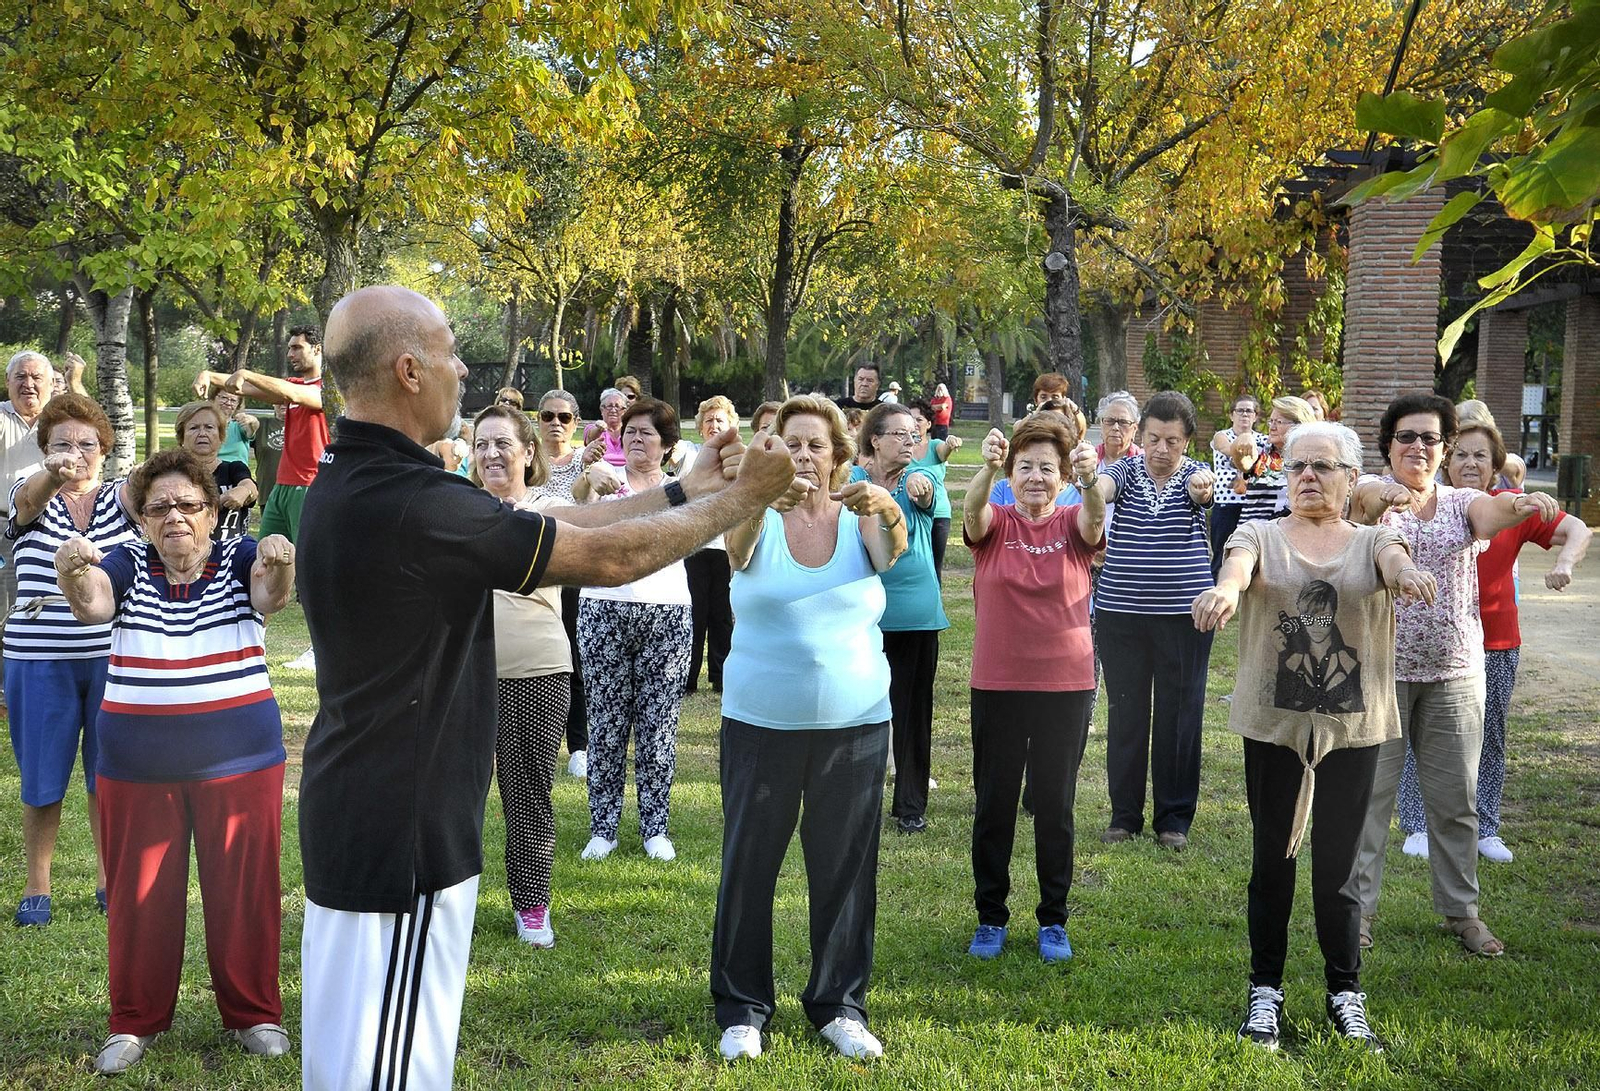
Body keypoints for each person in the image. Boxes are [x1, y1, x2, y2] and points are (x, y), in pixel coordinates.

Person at [293, 285, 798, 1091]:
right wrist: (743, 498)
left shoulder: (373, 477)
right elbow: (607, 561)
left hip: (378, 816)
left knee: (377, 1059)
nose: (465, 368)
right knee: (385, 1070)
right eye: (451, 351)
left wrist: (688, 489)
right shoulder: (408, 500)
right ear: (409, 371)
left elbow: (558, 528)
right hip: (399, 840)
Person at [53, 448, 296, 1074]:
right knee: (139, 898)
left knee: (245, 893)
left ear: (211, 512)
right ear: (143, 520)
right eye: (159, 508)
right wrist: (73, 573)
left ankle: (254, 1015)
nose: (175, 517)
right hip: (138, 764)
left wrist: (279, 561)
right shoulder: (127, 561)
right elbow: (94, 605)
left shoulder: (240, 556)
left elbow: (270, 596)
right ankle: (133, 1022)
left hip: (241, 761)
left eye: (188, 505)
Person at [1193, 421, 1434, 1053]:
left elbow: (1395, 561)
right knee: (1272, 860)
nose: (1307, 476)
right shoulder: (1259, 534)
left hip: (1353, 732)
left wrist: (1407, 575)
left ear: (1351, 478)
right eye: (1297, 465)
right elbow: (1237, 567)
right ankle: (1265, 991)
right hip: (1275, 728)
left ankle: (1344, 993)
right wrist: (1224, 590)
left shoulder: (1373, 540)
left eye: (1323, 466)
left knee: (1338, 870)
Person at [712, 395, 906, 1062]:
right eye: (789, 443)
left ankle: (839, 1005)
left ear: (838, 455)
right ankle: (742, 1008)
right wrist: (756, 494)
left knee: (844, 869)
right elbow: (737, 551)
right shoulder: (752, 515)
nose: (802, 455)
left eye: (816, 444)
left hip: (855, 723)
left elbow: (892, 553)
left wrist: (884, 504)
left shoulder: (861, 517)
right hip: (760, 722)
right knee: (748, 865)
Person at [1346, 393, 1560, 958]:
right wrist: (1391, 495)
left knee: (1456, 803)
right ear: (1389, 444)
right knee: (1370, 801)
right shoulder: (1370, 492)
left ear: (1444, 449)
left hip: (1456, 674)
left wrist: (1520, 503)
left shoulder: (1463, 501)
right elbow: (1365, 501)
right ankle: (1358, 914)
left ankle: (1462, 912)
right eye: (1407, 437)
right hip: (1380, 675)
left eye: (1430, 438)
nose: (1418, 447)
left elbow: (1491, 513)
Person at [1395, 419, 1590, 864]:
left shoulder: (1511, 508)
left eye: (1480, 456)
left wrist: (1564, 563)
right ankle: (1418, 823)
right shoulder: (1426, 504)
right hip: (1433, 641)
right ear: (1446, 459)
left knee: (1489, 733)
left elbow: (1578, 529)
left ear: (1495, 465)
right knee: (1417, 732)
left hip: (1496, 642)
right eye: (1461, 454)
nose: (1470, 463)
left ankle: (1486, 826)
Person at [960, 417, 1105, 964]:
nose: (1036, 477)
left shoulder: (1072, 521)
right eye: (1025, 467)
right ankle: (990, 917)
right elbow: (972, 513)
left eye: (1047, 468)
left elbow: (1095, 522)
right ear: (1010, 475)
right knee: (994, 806)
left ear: (1063, 476)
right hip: (997, 683)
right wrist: (986, 468)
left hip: (1065, 686)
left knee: (1054, 807)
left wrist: (1089, 483)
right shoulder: (995, 522)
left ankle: (1053, 920)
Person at [5, 394, 141, 926]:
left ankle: (109, 880)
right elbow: (29, 501)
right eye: (62, 443)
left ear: (104, 451)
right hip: (39, 659)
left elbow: (159, 491)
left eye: (87, 444)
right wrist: (52, 473)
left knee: (109, 774)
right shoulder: (28, 490)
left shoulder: (123, 500)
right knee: (42, 778)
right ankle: (37, 884)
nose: (75, 453)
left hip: (114, 658)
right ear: (44, 448)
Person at [1091, 391, 1217, 850]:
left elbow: (1205, 491)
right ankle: (1124, 816)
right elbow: (1103, 488)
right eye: (1153, 439)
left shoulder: (1197, 474)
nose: (1162, 450)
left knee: (1180, 716)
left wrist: (1202, 489)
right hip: (1120, 613)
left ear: (1187, 441)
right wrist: (1089, 482)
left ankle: (1174, 819)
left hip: (1185, 617)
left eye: (1173, 441)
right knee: (1126, 713)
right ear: (1140, 436)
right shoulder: (1123, 471)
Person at [571, 397, 695, 861]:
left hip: (668, 613)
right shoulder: (607, 480)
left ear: (667, 445)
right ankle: (602, 828)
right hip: (604, 608)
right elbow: (577, 502)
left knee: (658, 726)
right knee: (606, 724)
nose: (636, 438)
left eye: (647, 432)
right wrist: (588, 477)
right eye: (630, 431)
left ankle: (654, 828)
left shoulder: (680, 491)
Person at [470, 404, 572, 948]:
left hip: (535, 669)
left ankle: (532, 906)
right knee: (453, 793)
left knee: (527, 791)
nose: (491, 454)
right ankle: (448, 899)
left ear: (529, 452)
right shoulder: (458, 509)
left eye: (503, 443)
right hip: (462, 672)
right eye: (481, 444)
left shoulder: (549, 510)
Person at [194, 325, 329, 670]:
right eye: (290, 348)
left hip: (310, 487)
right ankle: (254, 642)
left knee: (311, 571)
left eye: (298, 348)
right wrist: (211, 375)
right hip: (281, 488)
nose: (291, 354)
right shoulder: (292, 387)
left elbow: (283, 390)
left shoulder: (325, 389)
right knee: (262, 563)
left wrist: (244, 373)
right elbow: (249, 387)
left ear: (317, 350)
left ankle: (321, 649)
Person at [852, 402, 947, 833]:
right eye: (900, 434)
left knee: (912, 712)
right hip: (860, 614)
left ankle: (910, 804)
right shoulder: (852, 480)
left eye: (914, 434)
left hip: (914, 614)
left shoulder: (918, 479)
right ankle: (859, 797)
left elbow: (926, 495)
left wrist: (923, 491)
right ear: (875, 440)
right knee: (859, 709)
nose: (910, 442)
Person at [531, 389, 589, 776]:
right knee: (535, 659)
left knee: (575, 657)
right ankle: (535, 743)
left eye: (564, 417)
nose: (556, 423)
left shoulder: (586, 461)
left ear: (575, 422)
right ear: (538, 420)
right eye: (548, 416)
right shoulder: (527, 460)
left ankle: (579, 746)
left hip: (571, 570)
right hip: (531, 569)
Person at [685, 396, 737, 694]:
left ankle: (721, 676)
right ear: (700, 426)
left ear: (730, 424)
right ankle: (688, 677)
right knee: (695, 612)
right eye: (709, 420)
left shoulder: (737, 457)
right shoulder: (690, 454)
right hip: (694, 547)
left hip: (726, 548)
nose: (714, 425)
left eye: (719, 420)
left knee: (722, 615)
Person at [176, 400, 258, 540]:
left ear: (221, 437)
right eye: (194, 428)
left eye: (209, 427)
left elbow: (250, 487)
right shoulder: (171, 474)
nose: (202, 433)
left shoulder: (234, 468)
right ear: (182, 437)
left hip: (231, 550)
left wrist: (244, 491)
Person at [1236, 396, 1317, 525]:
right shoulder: (1261, 451)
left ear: (1298, 425)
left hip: (1288, 533)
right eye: (1271, 421)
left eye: (1278, 422)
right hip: (1251, 531)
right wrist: (1244, 438)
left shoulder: (1312, 460)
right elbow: (1236, 455)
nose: (1272, 427)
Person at [1208, 395, 1264, 577]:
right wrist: (1245, 450)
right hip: (1226, 505)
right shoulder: (1222, 436)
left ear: (1255, 416)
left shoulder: (1263, 440)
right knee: (1221, 554)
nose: (1244, 415)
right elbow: (1227, 449)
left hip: (1254, 506)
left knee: (1252, 556)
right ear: (1232, 415)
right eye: (1240, 410)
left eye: (1249, 411)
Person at [907, 398, 963, 582]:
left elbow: (943, 451)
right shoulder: (902, 450)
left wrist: (950, 443)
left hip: (938, 514)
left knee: (934, 566)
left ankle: (935, 598)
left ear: (929, 424)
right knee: (913, 565)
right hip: (909, 513)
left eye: (919, 419)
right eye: (910, 419)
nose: (915, 424)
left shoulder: (934, 445)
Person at [581, 387, 629, 467]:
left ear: (624, 411)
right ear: (602, 409)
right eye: (609, 406)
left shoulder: (630, 431)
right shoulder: (592, 428)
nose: (613, 410)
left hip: (628, 470)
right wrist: (599, 428)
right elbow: (591, 437)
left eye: (617, 406)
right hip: (601, 470)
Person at [212, 387, 260, 466]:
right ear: (214, 398)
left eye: (233, 400)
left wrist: (253, 421)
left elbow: (252, 428)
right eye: (224, 398)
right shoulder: (204, 425)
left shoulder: (239, 425)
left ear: (238, 405)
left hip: (237, 471)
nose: (228, 403)